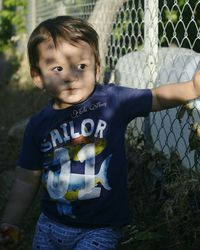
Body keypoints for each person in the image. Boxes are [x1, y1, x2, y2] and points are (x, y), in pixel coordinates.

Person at [0, 15, 200, 250]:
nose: (71, 75)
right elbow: (26, 178)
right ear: (38, 77)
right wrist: (11, 222)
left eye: (81, 66)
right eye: (57, 68)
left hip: (101, 228)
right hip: (50, 225)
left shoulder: (113, 101)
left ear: (97, 69)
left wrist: (193, 87)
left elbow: (155, 96)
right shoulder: (38, 124)